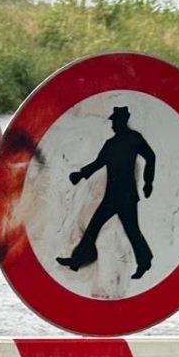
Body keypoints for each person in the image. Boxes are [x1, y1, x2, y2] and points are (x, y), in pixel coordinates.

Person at [56, 106, 157, 280]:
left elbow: (151, 157)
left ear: (121, 121)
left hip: (125, 196)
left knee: (131, 230)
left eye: (114, 121)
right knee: (95, 227)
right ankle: (78, 259)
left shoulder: (134, 139)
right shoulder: (112, 143)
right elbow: (99, 163)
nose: (112, 125)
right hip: (113, 195)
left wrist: (149, 182)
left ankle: (144, 261)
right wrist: (80, 174)